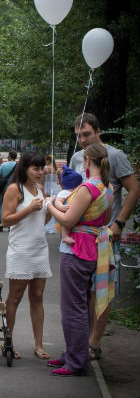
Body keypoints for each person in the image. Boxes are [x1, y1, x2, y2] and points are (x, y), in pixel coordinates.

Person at [70, 113, 140, 360]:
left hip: (106, 235)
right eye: (78, 135)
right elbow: (73, 192)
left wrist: (119, 222)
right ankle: (81, 341)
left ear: (99, 131)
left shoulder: (116, 156)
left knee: (102, 289)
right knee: (79, 291)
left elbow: (134, 190)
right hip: (80, 237)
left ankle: (94, 342)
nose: (82, 139)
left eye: (87, 133)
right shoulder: (77, 157)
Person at [46, 143, 112, 376]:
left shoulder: (87, 188)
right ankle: (74, 353)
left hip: (77, 251)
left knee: (73, 309)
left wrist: (51, 205)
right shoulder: (107, 187)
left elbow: (67, 221)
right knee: (82, 305)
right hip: (94, 249)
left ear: (87, 161)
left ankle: (76, 361)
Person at [1, 152, 52, 360]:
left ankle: (38, 345)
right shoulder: (15, 189)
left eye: (42, 168)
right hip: (21, 250)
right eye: (36, 168)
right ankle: (8, 342)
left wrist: (51, 208)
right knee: (15, 297)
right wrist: (30, 208)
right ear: (25, 169)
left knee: (38, 297)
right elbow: (5, 220)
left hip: (40, 249)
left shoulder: (40, 189)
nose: (40, 172)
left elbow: (43, 220)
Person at [53, 166, 84, 245]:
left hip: (72, 213)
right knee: (66, 226)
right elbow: (57, 201)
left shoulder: (75, 192)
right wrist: (62, 207)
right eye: (79, 183)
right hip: (65, 213)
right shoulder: (65, 192)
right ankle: (64, 236)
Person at [0, 151, 18, 232]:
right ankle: (9, 225)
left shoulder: (3, 165)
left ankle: (2, 223)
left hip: (3, 188)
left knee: (2, 205)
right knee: (12, 206)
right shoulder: (18, 166)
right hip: (14, 189)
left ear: (9, 156)